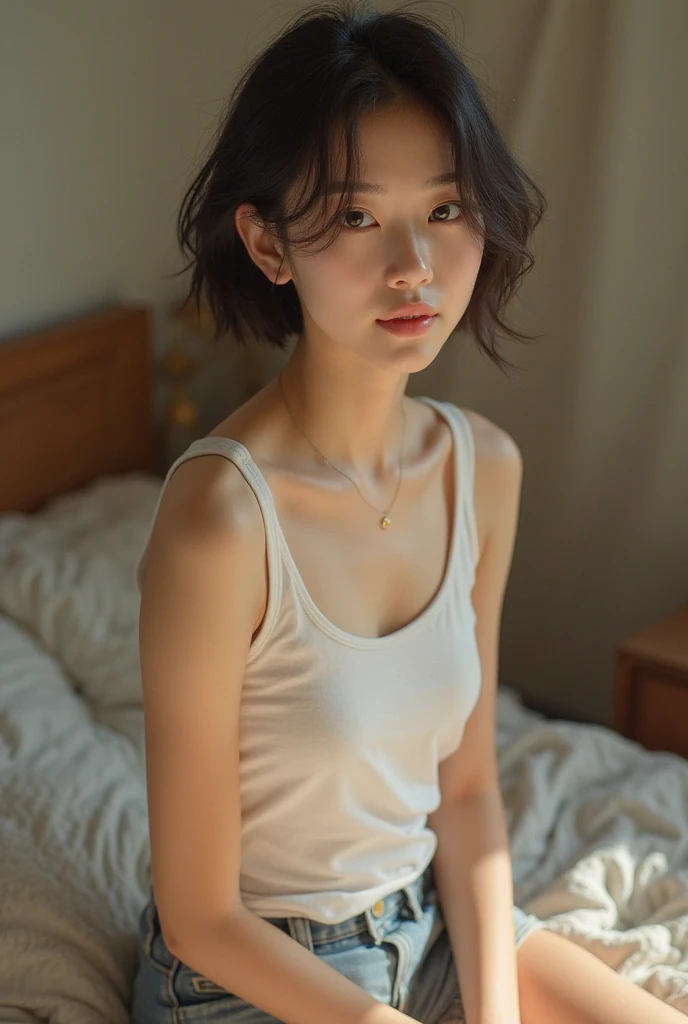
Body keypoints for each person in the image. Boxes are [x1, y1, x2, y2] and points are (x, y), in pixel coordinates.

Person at [130, 2, 685, 1023]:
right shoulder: (219, 518)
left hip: (423, 920)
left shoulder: (483, 468)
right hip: (246, 974)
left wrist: (493, 1011)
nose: (414, 267)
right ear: (266, 243)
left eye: (443, 208)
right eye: (354, 217)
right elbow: (198, 913)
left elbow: (466, 791)